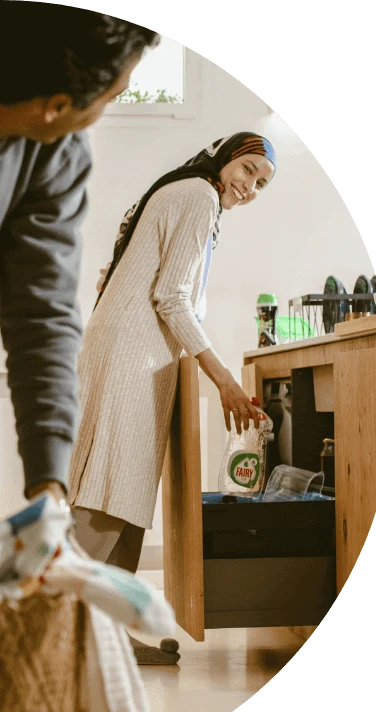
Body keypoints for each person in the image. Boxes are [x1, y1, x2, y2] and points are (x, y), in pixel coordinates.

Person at [69, 132, 277, 665]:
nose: (250, 186)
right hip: (131, 352)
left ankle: (106, 642)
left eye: (261, 182)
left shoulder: (188, 193)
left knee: (129, 496)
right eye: (249, 168)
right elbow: (172, 296)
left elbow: (145, 279)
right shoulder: (199, 194)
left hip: (138, 351)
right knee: (108, 490)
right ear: (227, 156)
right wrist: (223, 377)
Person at [0, 3, 159, 510]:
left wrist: (49, 483)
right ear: (57, 103)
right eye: (113, 97)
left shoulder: (55, 153)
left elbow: (42, 313)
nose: (106, 109)